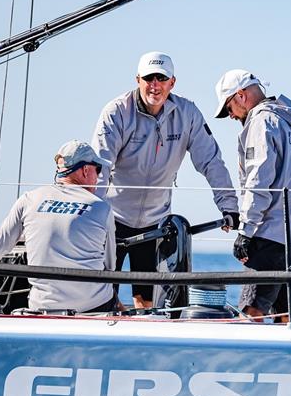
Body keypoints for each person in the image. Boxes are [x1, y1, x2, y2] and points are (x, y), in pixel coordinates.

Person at [91, 51, 239, 309]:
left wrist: (229, 206)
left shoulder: (188, 113)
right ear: (138, 79)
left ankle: (142, 345)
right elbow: (101, 166)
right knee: (103, 297)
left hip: (154, 223)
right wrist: (91, 215)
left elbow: (211, 161)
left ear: (173, 82)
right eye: (149, 78)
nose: (155, 85)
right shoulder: (116, 111)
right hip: (112, 220)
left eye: (161, 78)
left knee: (147, 300)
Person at [0, 140, 118, 313]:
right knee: (111, 294)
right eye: (98, 171)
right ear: (85, 170)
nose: (98, 178)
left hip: (43, 306)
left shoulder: (30, 199)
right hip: (93, 306)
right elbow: (110, 266)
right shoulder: (101, 207)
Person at [214, 69, 291, 321]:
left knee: (250, 312)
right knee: (290, 316)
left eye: (228, 109)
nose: (231, 116)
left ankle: (243, 361)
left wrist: (245, 231)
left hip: (270, 234)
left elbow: (259, 181)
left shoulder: (260, 122)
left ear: (240, 96)